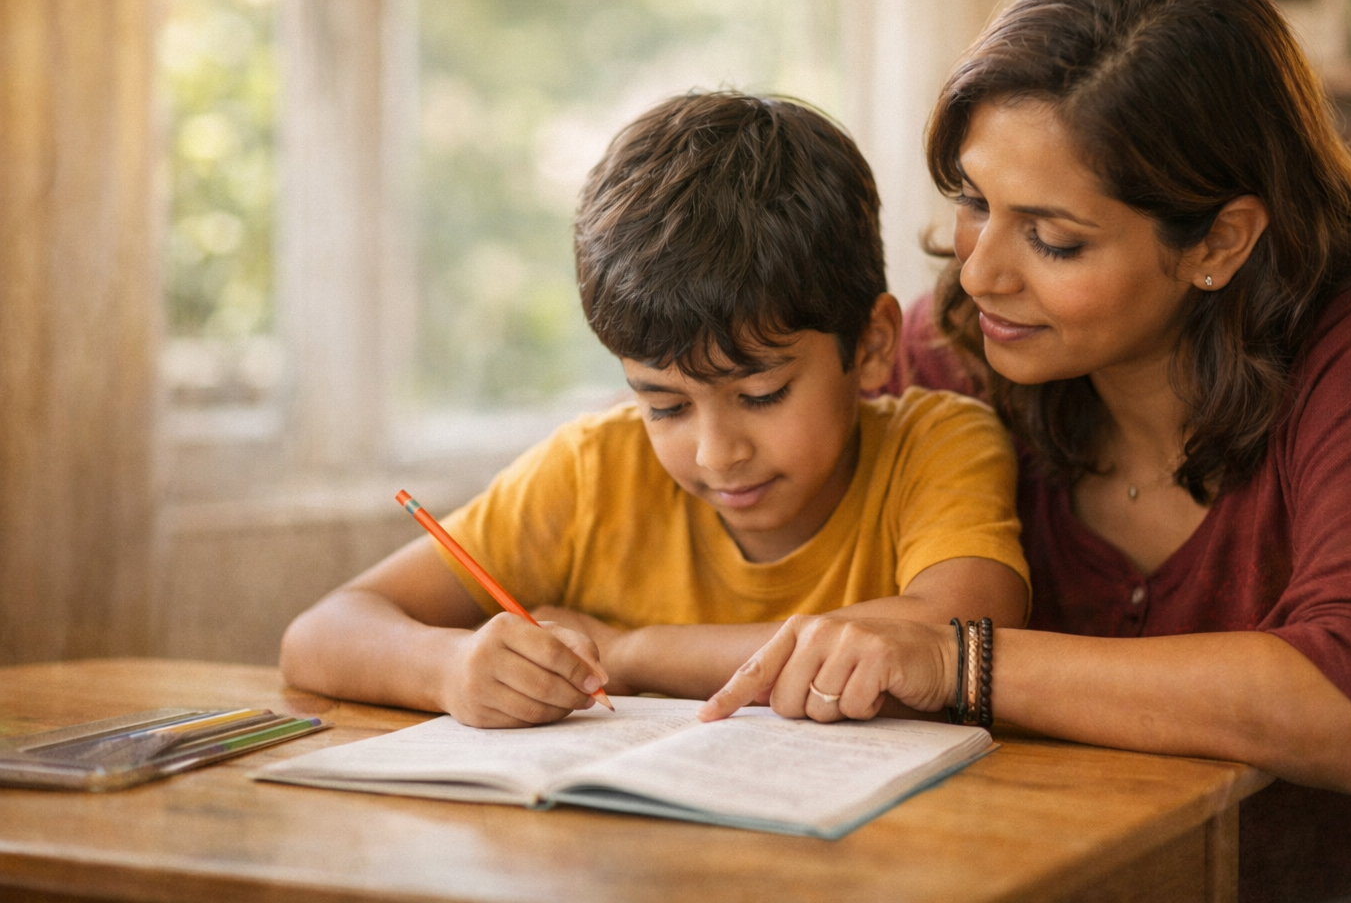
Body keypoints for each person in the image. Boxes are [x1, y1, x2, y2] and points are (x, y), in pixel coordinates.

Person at [700, 0, 1351, 901]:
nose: (981, 274)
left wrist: (956, 658)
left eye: (1055, 240)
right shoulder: (962, 346)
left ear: (1221, 239)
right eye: (975, 203)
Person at [280, 91, 1030, 730]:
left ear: (870, 345)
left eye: (761, 395)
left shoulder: (937, 444)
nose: (715, 452)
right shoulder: (592, 472)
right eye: (665, 405)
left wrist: (633, 652)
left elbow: (968, 634)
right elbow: (319, 635)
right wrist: (448, 667)